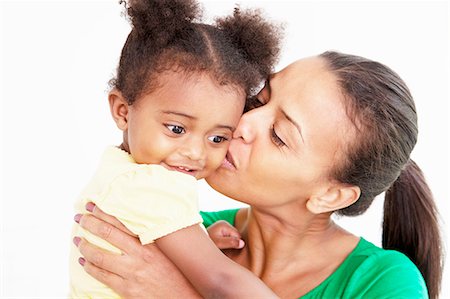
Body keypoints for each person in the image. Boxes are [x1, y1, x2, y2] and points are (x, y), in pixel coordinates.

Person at [73, 50, 444, 298]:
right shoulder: (178, 231)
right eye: (262, 99)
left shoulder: (382, 282)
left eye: (279, 136)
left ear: (330, 195)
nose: (244, 123)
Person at [69, 0, 283, 298]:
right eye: (177, 129)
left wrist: (201, 242)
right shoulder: (150, 185)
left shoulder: (121, 171)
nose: (195, 152)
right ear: (122, 111)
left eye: (218, 138)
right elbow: (222, 280)